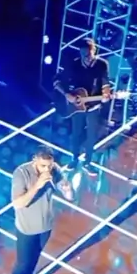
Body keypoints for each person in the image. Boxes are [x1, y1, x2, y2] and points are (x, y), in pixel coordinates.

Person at [9, 147, 72, 274]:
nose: (47, 169)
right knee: (22, 263)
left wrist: (67, 189)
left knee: (34, 259)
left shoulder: (54, 169)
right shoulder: (21, 173)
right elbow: (18, 204)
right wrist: (37, 185)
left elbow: (69, 196)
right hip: (27, 228)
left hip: (45, 227)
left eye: (49, 165)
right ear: (35, 160)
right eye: (43, 165)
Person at [54, 37, 111, 177]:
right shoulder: (74, 64)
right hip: (77, 106)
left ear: (94, 50)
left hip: (93, 106)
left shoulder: (102, 64)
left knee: (91, 135)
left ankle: (88, 162)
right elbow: (57, 81)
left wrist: (106, 94)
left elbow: (105, 82)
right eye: (83, 54)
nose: (86, 57)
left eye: (88, 53)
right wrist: (67, 94)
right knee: (76, 133)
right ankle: (74, 159)